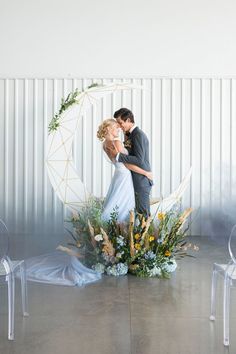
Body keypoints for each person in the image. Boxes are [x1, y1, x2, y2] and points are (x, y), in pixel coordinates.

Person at [97, 118, 152, 222]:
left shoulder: (105, 144)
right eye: (116, 128)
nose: (119, 130)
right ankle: (123, 226)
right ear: (109, 129)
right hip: (125, 175)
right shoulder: (116, 142)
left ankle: (114, 228)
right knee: (125, 203)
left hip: (118, 174)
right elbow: (127, 164)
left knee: (117, 200)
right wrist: (145, 173)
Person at [113, 108, 153, 217]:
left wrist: (119, 156)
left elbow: (139, 160)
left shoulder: (138, 135)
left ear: (129, 120)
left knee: (143, 215)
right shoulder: (130, 135)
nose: (120, 127)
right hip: (135, 179)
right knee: (138, 215)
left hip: (141, 181)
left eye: (121, 123)